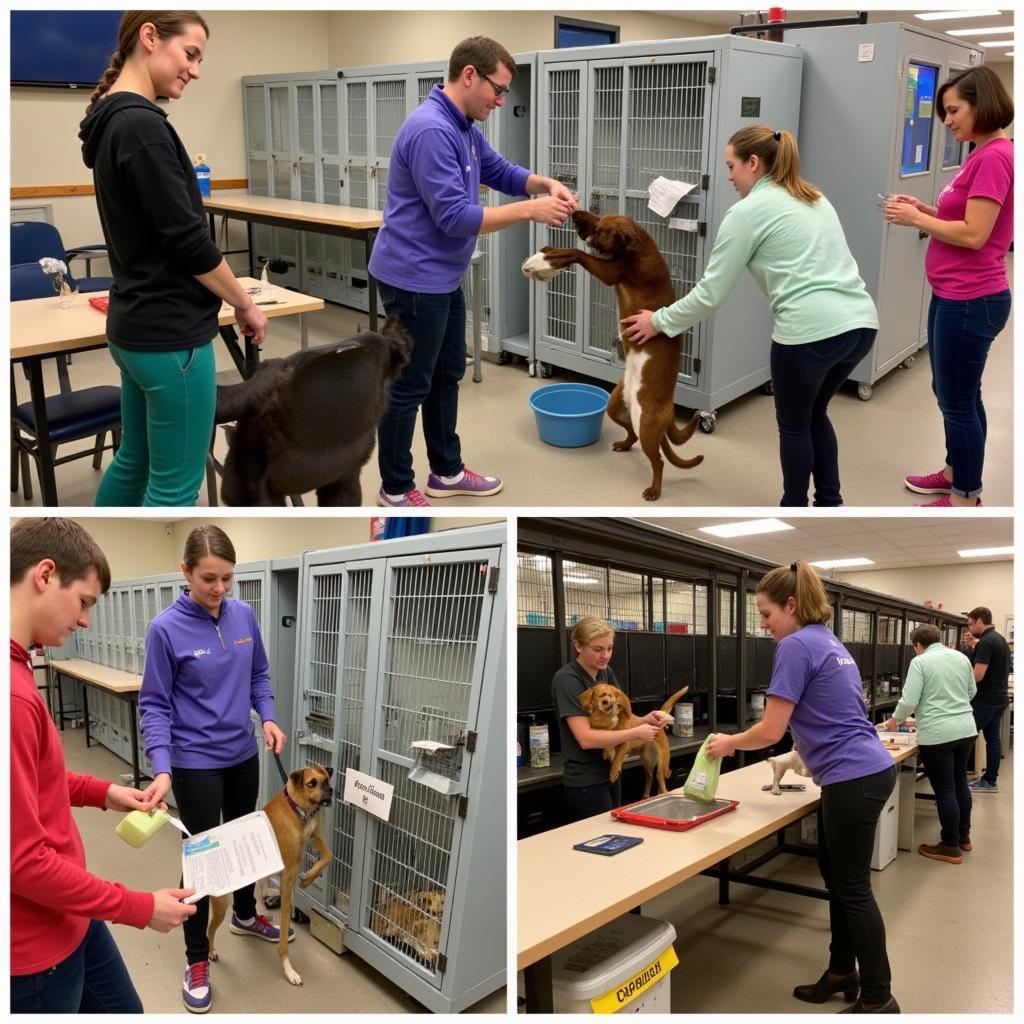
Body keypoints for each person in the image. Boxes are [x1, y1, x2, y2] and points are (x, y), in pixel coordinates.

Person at [369, 35, 578, 507]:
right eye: (497, 90)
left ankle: (445, 470)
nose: (501, 102)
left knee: (446, 374)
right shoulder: (431, 131)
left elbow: (499, 170)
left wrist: (541, 182)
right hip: (412, 279)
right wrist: (531, 211)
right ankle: (395, 487)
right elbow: (455, 217)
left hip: (441, 275)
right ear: (469, 75)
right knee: (409, 384)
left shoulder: (461, 124)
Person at [621, 125, 878, 507]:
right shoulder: (814, 198)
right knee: (816, 413)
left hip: (808, 334)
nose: (728, 178)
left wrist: (657, 320)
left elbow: (710, 294)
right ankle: (830, 502)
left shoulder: (746, 213)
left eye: (731, 167)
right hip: (860, 325)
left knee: (794, 426)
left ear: (753, 164)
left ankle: (794, 505)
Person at [79, 11, 268, 507]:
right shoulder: (140, 126)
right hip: (170, 340)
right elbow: (189, 242)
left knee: (134, 463)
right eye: (190, 54)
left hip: (134, 330)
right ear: (149, 39)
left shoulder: (114, 122)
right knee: (174, 489)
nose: (196, 70)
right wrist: (244, 304)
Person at [10, 518, 196, 1013]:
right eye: (85, 602)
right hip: (35, 955)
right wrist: (138, 907)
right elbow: (22, 863)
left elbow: (35, 776)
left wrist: (103, 792)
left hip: (71, 914)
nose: (87, 622)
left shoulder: (19, 664)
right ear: (45, 575)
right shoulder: (11, 697)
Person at [706, 561, 898, 1013]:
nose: (764, 624)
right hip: (861, 772)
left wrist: (729, 742)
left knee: (852, 889)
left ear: (791, 605)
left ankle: (879, 1000)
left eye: (767, 613)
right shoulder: (830, 643)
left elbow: (771, 731)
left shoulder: (794, 647)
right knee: (838, 881)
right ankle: (840, 972)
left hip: (853, 778)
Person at [137, 524, 286, 1012]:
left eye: (227, 578)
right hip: (193, 761)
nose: (219, 590)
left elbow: (258, 675)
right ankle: (197, 956)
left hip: (242, 752)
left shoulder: (243, 614)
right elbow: (155, 705)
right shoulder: (165, 629)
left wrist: (267, 717)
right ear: (185, 572)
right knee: (201, 860)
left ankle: (244, 914)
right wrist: (161, 768)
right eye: (208, 579)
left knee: (246, 838)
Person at [885, 66, 1014, 508]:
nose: (947, 120)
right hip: (953, 293)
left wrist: (917, 220)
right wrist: (925, 207)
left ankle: (965, 496)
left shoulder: (996, 157)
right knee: (953, 392)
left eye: (954, 110)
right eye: (944, 112)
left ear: (982, 105)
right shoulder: (978, 153)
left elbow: (975, 234)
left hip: (972, 299)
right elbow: (960, 216)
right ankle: (956, 470)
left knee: (957, 401)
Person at [551, 616, 671, 822]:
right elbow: (586, 738)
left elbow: (623, 716)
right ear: (578, 646)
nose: (605, 656)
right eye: (598, 649)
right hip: (586, 782)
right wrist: (636, 732)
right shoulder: (567, 680)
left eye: (609, 648)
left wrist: (645, 720)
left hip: (612, 772)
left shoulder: (605, 673)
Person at [883, 624, 976, 864]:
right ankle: (964, 838)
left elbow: (909, 699)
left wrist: (896, 720)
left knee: (945, 789)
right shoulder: (961, 657)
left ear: (918, 645)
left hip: (938, 734)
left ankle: (950, 846)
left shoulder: (921, 661)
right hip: (966, 728)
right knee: (959, 784)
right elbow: (971, 691)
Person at [963, 606, 1011, 793]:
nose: (969, 628)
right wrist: (972, 647)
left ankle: (959, 778)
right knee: (993, 740)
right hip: (999, 698)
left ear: (979, 621)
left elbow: (978, 676)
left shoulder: (986, 642)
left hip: (985, 700)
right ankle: (990, 780)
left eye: (970, 624)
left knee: (965, 737)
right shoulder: (999, 639)